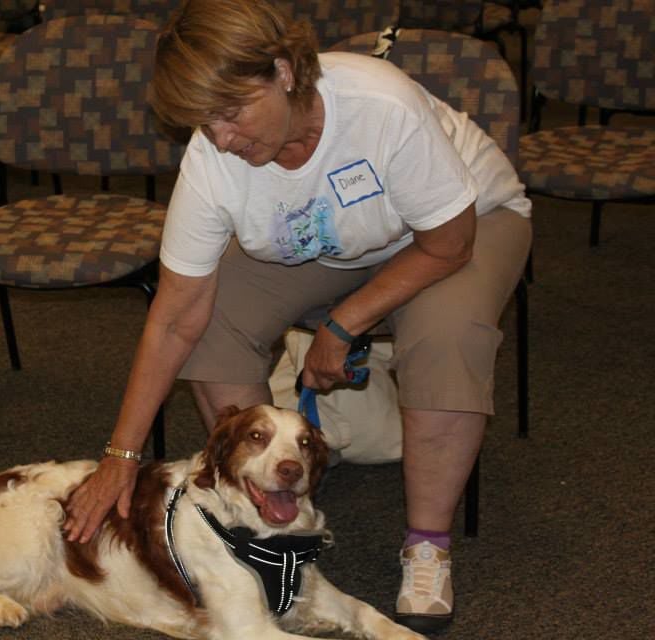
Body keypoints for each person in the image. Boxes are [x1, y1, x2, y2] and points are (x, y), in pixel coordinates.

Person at [63, 0, 532, 633]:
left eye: (231, 113)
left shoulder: (378, 107)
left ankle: (427, 544)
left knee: (447, 334)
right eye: (206, 122)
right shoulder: (214, 157)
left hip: (459, 227)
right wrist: (120, 455)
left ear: (284, 72)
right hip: (332, 239)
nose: (221, 137)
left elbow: (448, 245)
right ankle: (264, 497)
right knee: (216, 318)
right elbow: (176, 318)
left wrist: (345, 322)